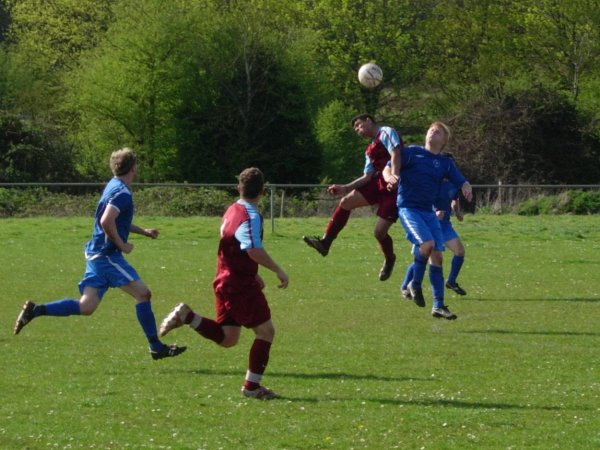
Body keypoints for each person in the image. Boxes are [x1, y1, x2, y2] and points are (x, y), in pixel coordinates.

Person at [13, 148, 186, 360]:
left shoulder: (113, 185)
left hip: (96, 253)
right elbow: (106, 221)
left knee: (87, 306)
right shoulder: (122, 192)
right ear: (133, 167)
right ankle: (156, 347)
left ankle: (35, 310)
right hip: (106, 256)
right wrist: (122, 245)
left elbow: (116, 220)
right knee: (143, 294)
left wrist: (143, 232)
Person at [158, 167, 289, 400]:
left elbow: (233, 247)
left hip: (224, 280)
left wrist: (252, 273)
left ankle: (188, 316)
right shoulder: (251, 215)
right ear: (262, 191)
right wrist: (278, 270)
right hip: (238, 286)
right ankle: (252, 388)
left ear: (239, 188)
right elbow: (252, 249)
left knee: (229, 338)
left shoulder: (231, 210)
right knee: (266, 332)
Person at [383, 122, 472, 320]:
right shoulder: (412, 152)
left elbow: (460, 180)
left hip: (428, 214)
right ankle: (414, 285)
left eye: (438, 131)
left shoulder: (445, 163)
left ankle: (438, 306)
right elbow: (387, 168)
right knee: (427, 244)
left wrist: (466, 186)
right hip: (409, 209)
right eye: (431, 129)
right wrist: (390, 178)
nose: (433, 131)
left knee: (438, 258)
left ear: (444, 141)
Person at [303, 114, 403, 281]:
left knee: (379, 233)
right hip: (377, 183)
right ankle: (325, 243)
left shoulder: (386, 132)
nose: (357, 130)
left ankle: (389, 258)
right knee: (345, 202)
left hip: (395, 185)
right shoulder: (369, 149)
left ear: (368, 121)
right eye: (355, 129)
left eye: (358, 125)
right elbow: (367, 177)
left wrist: (395, 176)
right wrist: (345, 188)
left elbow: (396, 153)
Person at [401, 169, 468, 299]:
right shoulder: (431, 182)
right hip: (429, 224)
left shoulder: (454, 183)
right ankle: (405, 287)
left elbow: (454, 198)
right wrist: (434, 213)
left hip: (445, 226)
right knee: (423, 258)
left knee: (460, 251)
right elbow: (421, 201)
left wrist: (457, 212)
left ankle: (451, 281)